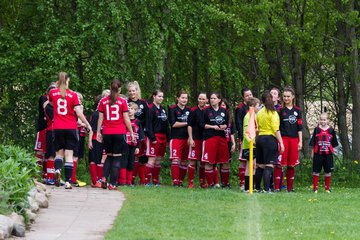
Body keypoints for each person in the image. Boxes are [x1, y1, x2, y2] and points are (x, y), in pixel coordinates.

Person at [49, 72, 92, 189]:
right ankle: (68, 181)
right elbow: (79, 113)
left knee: (59, 154)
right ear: (68, 81)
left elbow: (52, 104)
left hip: (57, 127)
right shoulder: (73, 95)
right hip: (70, 127)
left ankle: (57, 170)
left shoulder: (52, 92)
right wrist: (87, 124)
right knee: (69, 155)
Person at [97, 80, 134, 190]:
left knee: (109, 156)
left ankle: (104, 178)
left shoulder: (103, 101)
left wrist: (99, 131)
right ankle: (112, 183)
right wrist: (131, 132)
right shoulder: (122, 101)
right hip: (119, 132)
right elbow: (127, 119)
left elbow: (100, 118)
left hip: (107, 132)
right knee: (117, 158)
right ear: (120, 89)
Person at [254, 90, 284, 192]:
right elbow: (276, 129)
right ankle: (267, 189)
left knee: (260, 165)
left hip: (260, 139)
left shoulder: (259, 112)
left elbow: (257, 128)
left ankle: (257, 188)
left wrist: (256, 139)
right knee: (269, 165)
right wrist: (281, 142)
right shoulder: (273, 113)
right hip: (269, 140)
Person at [274, 86, 302, 192]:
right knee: (279, 164)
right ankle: (277, 187)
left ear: (293, 97)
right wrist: (280, 142)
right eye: (284, 96)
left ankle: (290, 188)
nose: (286, 98)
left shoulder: (297, 111)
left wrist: (300, 141)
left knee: (291, 165)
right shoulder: (279, 110)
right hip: (283, 139)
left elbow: (299, 127)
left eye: (288, 96)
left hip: (294, 140)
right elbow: (277, 127)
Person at [201, 92, 230, 188]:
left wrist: (223, 126)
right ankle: (210, 184)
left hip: (221, 138)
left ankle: (225, 184)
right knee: (209, 162)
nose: (212, 100)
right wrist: (213, 127)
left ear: (219, 100)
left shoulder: (224, 111)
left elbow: (227, 124)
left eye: (214, 98)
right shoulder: (205, 110)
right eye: (211, 98)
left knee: (225, 162)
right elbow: (202, 124)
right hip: (210, 137)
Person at [309, 113, 339, 193]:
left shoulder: (331, 130)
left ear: (328, 120)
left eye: (324, 119)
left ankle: (327, 188)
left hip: (328, 154)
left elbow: (334, 143)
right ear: (319, 120)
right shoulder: (316, 129)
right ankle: (315, 188)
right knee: (316, 171)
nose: (323, 121)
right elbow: (313, 143)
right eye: (321, 119)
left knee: (328, 171)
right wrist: (312, 153)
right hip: (318, 154)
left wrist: (333, 152)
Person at [145, 90, 169, 186]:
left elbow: (166, 125)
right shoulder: (150, 109)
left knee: (159, 160)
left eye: (162, 96)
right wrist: (152, 138)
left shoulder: (163, 109)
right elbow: (148, 125)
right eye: (159, 96)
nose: (161, 98)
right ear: (154, 96)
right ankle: (147, 182)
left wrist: (168, 138)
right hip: (154, 137)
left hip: (163, 137)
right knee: (152, 159)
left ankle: (156, 181)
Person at [127, 81, 148, 185]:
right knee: (131, 156)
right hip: (129, 133)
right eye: (130, 91)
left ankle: (143, 180)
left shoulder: (143, 103)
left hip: (141, 133)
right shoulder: (126, 102)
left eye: (133, 90)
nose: (131, 93)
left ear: (137, 91)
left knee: (141, 156)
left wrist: (146, 131)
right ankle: (131, 179)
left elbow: (148, 118)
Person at [119, 102, 144, 186]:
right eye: (128, 108)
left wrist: (138, 147)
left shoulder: (137, 122)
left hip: (133, 144)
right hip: (124, 144)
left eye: (132, 109)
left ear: (136, 111)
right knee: (123, 162)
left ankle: (129, 181)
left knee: (131, 162)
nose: (130, 110)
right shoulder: (123, 120)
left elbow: (140, 135)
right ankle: (122, 181)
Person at [168, 90, 191, 187]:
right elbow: (173, 124)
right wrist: (187, 123)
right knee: (175, 160)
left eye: (186, 98)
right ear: (177, 98)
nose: (184, 100)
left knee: (184, 161)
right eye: (182, 97)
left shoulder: (189, 110)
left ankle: (180, 181)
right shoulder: (172, 109)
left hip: (186, 138)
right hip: (176, 138)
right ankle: (175, 181)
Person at [187, 93, 208, 188]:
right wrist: (190, 138)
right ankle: (190, 182)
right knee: (193, 161)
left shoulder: (209, 110)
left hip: (206, 139)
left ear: (207, 100)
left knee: (203, 162)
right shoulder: (193, 110)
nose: (201, 100)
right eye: (200, 98)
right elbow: (189, 125)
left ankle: (202, 182)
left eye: (203, 99)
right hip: (195, 138)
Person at [235, 88, 253, 189]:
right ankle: (242, 183)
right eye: (247, 95)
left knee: (251, 160)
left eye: (250, 95)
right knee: (243, 160)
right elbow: (239, 123)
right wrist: (242, 137)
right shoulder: (240, 108)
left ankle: (250, 182)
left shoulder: (254, 107)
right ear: (243, 97)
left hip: (253, 138)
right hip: (244, 138)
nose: (249, 97)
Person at [242, 97, 260, 191]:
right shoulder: (247, 117)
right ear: (252, 106)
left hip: (254, 145)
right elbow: (246, 132)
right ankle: (247, 187)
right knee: (249, 166)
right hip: (249, 146)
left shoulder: (254, 116)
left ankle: (252, 187)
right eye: (258, 106)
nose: (259, 107)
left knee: (253, 166)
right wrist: (252, 142)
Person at [71, 92, 87, 187]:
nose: (79, 102)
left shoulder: (79, 109)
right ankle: (72, 178)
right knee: (74, 156)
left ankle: (73, 177)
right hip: (75, 134)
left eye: (80, 100)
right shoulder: (74, 110)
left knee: (77, 156)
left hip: (81, 135)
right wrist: (85, 124)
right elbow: (79, 122)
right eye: (78, 100)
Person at [42, 83, 57, 185]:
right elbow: (55, 118)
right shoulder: (48, 106)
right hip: (51, 130)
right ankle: (50, 177)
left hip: (56, 131)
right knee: (51, 154)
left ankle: (54, 177)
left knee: (55, 155)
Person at [219, 99, 236, 187]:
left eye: (224, 105)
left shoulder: (230, 118)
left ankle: (225, 182)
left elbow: (231, 132)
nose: (223, 107)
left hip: (227, 142)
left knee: (226, 162)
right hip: (219, 141)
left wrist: (233, 144)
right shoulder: (216, 116)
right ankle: (216, 182)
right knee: (218, 162)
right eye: (221, 105)